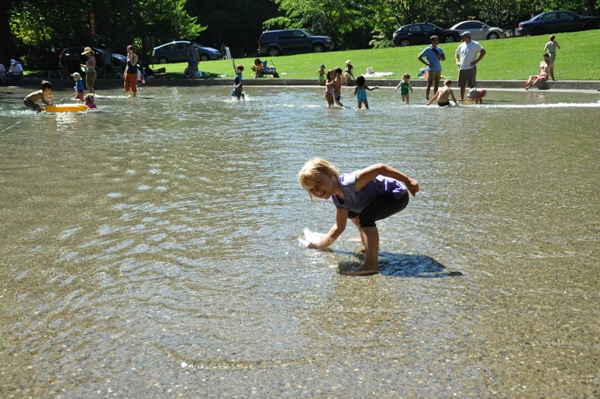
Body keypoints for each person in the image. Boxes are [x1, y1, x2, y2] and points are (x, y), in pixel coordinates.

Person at [298, 158, 419, 276]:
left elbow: (380, 168)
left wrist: (408, 180)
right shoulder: (338, 199)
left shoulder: (350, 183)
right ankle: (364, 238)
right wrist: (319, 244)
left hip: (396, 195)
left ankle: (371, 265)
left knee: (366, 218)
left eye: (318, 182)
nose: (317, 190)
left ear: (330, 173)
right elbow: (339, 227)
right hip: (373, 200)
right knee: (350, 211)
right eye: (311, 189)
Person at [455, 31, 486, 101]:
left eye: (464, 36)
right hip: (462, 67)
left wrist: (476, 61)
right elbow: (456, 53)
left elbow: (483, 52)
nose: (462, 38)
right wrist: (457, 61)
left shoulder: (475, 44)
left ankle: (472, 97)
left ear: (468, 37)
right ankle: (462, 98)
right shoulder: (461, 45)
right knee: (461, 84)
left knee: (472, 84)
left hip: (471, 67)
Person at [418, 35, 446, 100]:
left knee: (436, 84)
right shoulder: (428, 49)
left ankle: (435, 97)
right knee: (429, 84)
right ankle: (427, 98)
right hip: (431, 70)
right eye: (436, 40)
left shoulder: (439, 49)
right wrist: (427, 63)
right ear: (432, 41)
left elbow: (444, 58)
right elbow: (419, 57)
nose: (438, 41)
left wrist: (440, 57)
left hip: (438, 69)